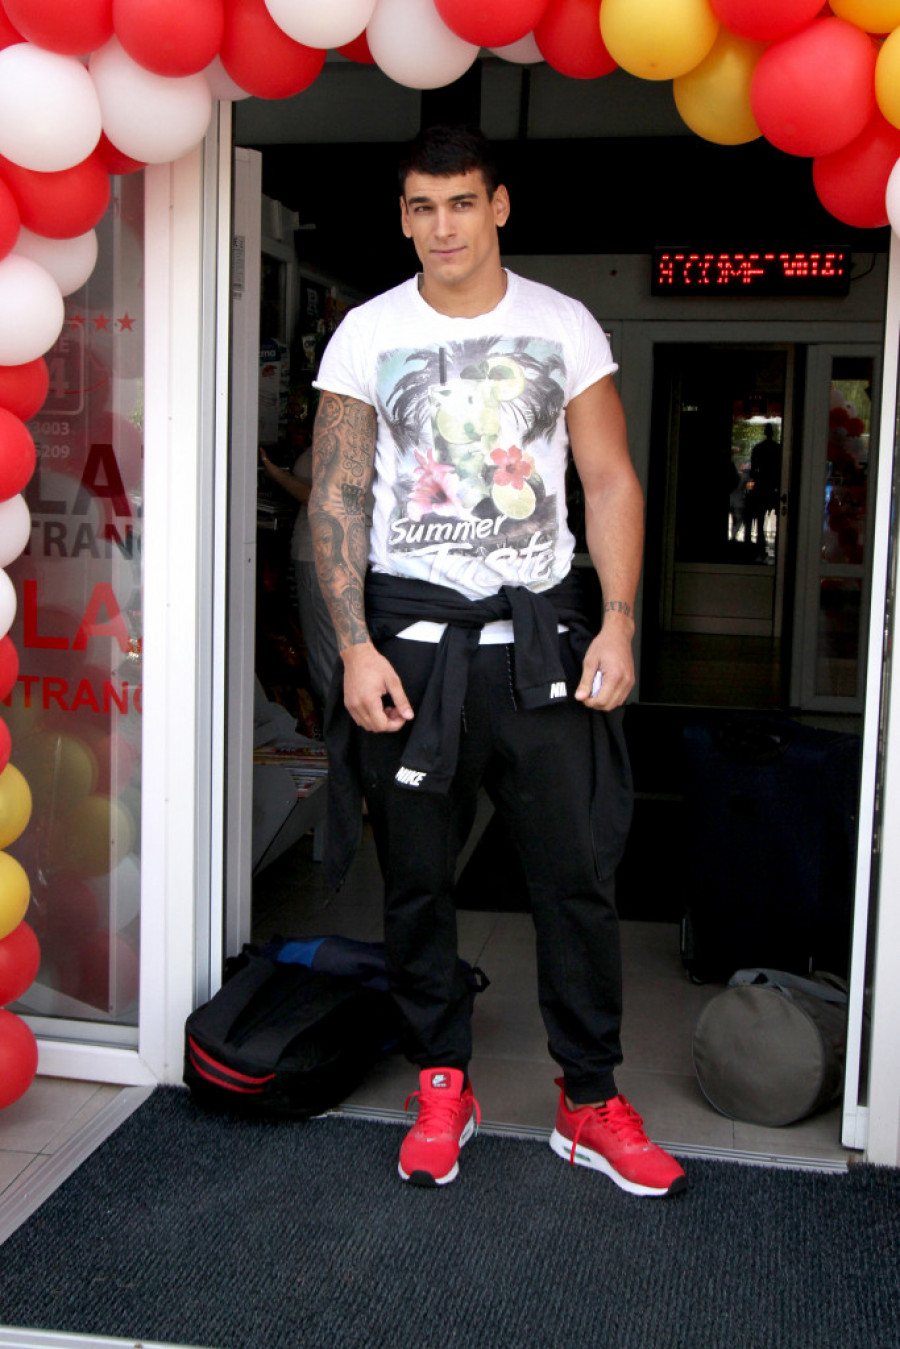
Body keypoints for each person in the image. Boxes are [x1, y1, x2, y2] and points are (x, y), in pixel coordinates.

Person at [308, 124, 686, 1199]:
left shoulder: (562, 324)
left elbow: (608, 480)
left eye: (462, 203)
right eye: (423, 208)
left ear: (499, 206)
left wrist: (618, 621)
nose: (443, 227)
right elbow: (338, 495)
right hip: (413, 644)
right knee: (417, 879)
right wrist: (352, 646)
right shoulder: (368, 332)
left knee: (576, 874)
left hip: (540, 642)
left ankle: (589, 1097)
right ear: (403, 217)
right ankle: (442, 1080)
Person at [259, 445, 339, 711]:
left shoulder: (349, 441)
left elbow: (321, 500)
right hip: (328, 554)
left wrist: (276, 474)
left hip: (324, 554)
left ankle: (336, 725)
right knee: (329, 646)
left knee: (325, 649)